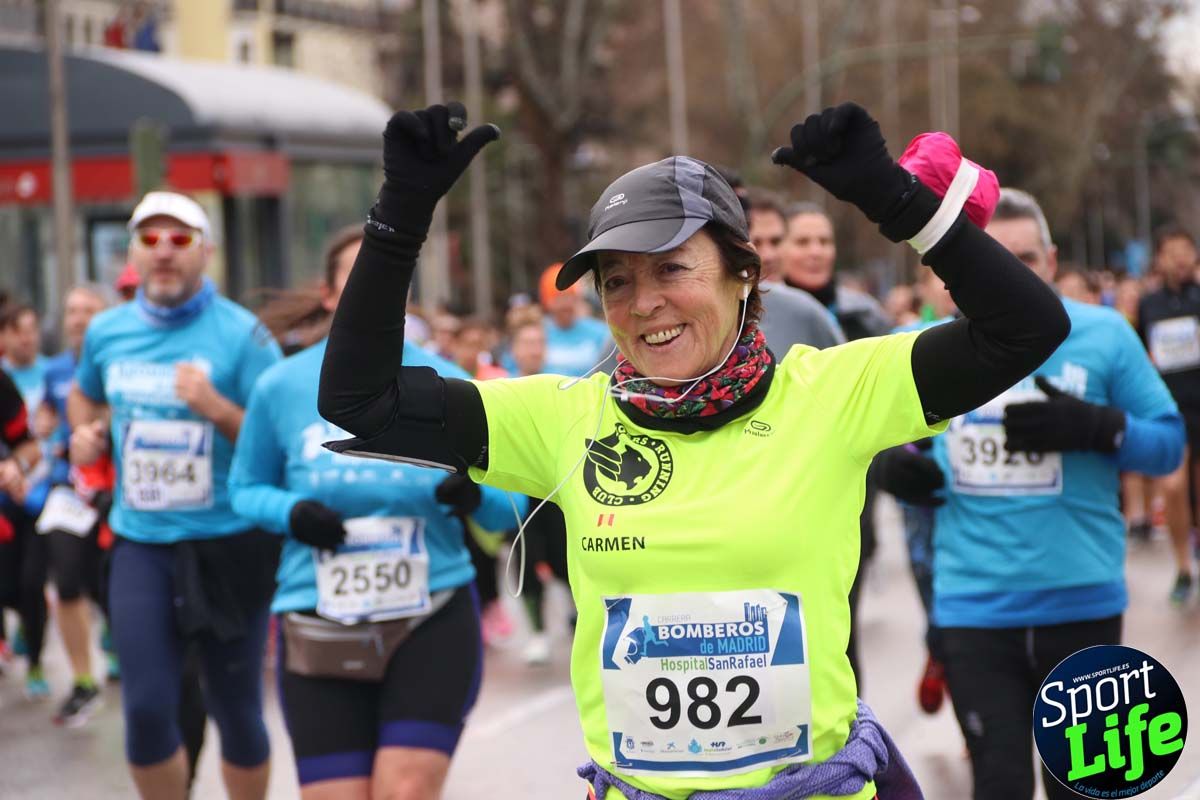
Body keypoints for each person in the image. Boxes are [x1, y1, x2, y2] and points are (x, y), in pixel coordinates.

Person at [317, 100, 1070, 799]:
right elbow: (361, 402)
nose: (644, 305)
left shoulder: (833, 395)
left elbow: (1026, 326)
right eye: (617, 282)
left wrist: (892, 197)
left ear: (744, 273)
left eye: (672, 269)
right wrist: (400, 219)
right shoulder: (561, 417)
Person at [876, 188, 1185, 800]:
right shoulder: (926, 343)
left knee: (1084, 789)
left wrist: (1100, 428)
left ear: (1051, 258)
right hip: (973, 607)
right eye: (994, 257)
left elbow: (1170, 445)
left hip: (1081, 602)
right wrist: (889, 469)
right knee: (998, 785)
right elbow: (859, 440)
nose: (1009, 274)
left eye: (1025, 258)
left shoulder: (1104, 335)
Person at [230, 225, 521, 800]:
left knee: (404, 792)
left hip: (430, 615)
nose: (378, 289)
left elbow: (506, 510)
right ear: (329, 292)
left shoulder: (446, 382)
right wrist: (292, 513)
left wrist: (472, 494)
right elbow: (243, 488)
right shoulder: (281, 385)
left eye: (391, 278)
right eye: (360, 277)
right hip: (318, 620)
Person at [68, 190, 282, 799]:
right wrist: (85, 434)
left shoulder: (244, 335)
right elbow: (85, 397)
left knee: (236, 708)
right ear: (133, 252)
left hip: (230, 543)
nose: (164, 252)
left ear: (206, 252)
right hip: (144, 545)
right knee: (145, 708)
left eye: (180, 240)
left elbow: (275, 441)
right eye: (151, 240)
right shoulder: (108, 331)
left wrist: (216, 408)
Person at [38, 284, 115, 725]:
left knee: (109, 587)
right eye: (72, 311)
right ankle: (83, 681)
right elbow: (45, 420)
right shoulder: (55, 371)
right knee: (66, 582)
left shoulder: (124, 359)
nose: (79, 319)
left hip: (119, 491)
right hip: (69, 491)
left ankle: (119, 644)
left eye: (89, 310)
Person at [1136, 223, 1200, 604]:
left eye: (1185, 250)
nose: (1179, 258)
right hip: (1172, 409)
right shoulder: (1149, 304)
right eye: (1171, 251)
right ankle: (1182, 567)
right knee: (1173, 487)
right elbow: (1142, 356)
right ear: (1159, 259)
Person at [742, 188, 845, 351]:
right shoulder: (728, 318)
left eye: (776, 242)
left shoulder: (812, 313)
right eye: (756, 243)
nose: (768, 256)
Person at [0, 365, 47, 700]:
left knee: (28, 588)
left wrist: (14, 466)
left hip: (18, 513)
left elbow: (29, 446)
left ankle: (34, 662)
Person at [780, 203, 893, 340]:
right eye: (802, 242)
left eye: (824, 241)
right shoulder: (763, 316)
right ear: (779, 249)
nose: (816, 252)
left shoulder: (866, 314)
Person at [538, 264, 613, 376]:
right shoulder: (537, 333)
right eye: (558, 298)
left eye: (570, 296)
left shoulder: (600, 332)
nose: (565, 304)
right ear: (547, 302)